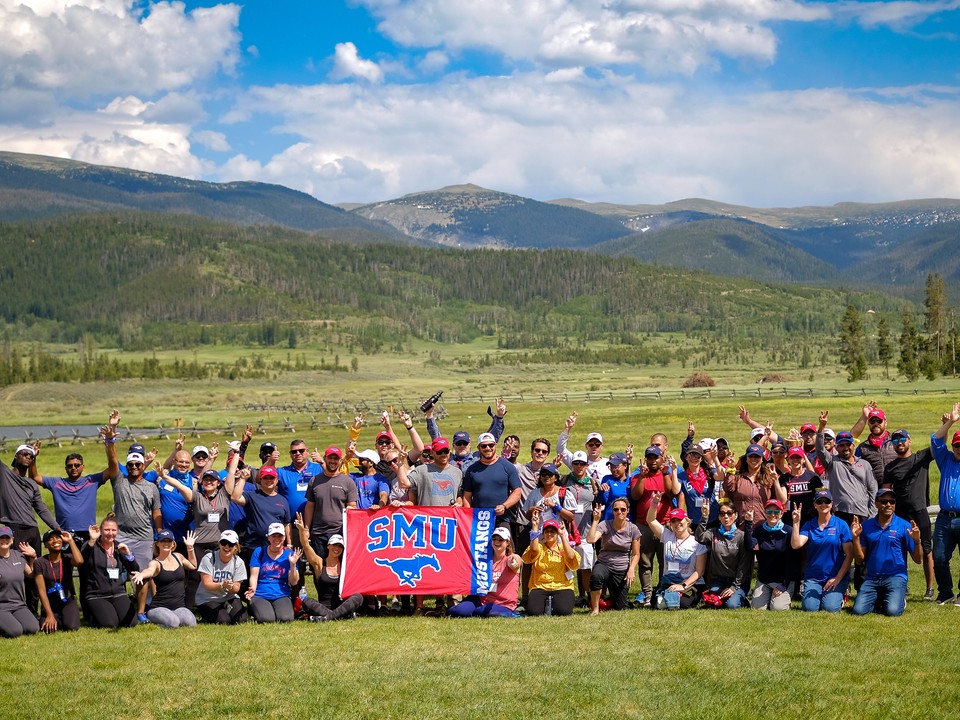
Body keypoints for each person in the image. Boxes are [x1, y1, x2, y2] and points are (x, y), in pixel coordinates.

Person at [31, 411, 120, 545]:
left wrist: (110, 441)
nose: (73, 468)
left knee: (87, 565)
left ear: (83, 467)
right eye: (70, 466)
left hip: (88, 533)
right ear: (66, 468)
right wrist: (33, 457)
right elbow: (34, 477)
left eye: (77, 465)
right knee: (65, 565)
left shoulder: (92, 481)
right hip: (64, 533)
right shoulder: (57, 483)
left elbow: (113, 468)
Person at [850, 488, 923, 616]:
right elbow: (859, 559)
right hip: (872, 577)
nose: (888, 505)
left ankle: (899, 600)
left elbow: (918, 560)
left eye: (892, 502)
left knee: (893, 611)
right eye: (884, 501)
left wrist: (917, 541)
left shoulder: (904, 526)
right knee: (858, 611)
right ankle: (880, 598)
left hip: (895, 576)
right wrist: (855, 538)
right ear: (876, 503)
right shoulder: (866, 526)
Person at [884, 428, 935, 600]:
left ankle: (930, 589)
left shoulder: (921, 457)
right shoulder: (890, 467)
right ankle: (903, 587)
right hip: (900, 514)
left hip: (920, 511)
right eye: (895, 441)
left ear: (909, 441)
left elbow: (938, 444)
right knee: (900, 551)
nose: (899, 443)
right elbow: (886, 493)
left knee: (927, 550)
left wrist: (948, 423)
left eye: (902, 439)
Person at [790, 489, 853, 613]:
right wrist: (796, 523)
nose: (823, 504)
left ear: (831, 504)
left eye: (827, 501)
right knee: (810, 608)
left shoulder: (841, 525)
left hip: (835, 576)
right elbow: (796, 544)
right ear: (815, 505)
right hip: (814, 577)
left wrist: (838, 578)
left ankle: (841, 594)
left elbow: (849, 555)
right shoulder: (809, 525)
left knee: (830, 608)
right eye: (820, 501)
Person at [295, 513, 363, 622]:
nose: (337, 548)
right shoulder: (319, 563)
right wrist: (301, 530)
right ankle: (339, 616)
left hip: (342, 605)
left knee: (358, 597)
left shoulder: (345, 565)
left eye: (340, 546)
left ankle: (327, 618)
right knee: (306, 601)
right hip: (322, 607)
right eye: (334, 545)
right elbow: (306, 547)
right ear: (328, 546)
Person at [81, 513, 140, 629]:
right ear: (101, 531)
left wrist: (128, 555)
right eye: (107, 530)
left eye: (113, 530)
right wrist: (92, 541)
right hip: (96, 594)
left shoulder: (119, 548)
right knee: (110, 624)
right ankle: (92, 616)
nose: (110, 533)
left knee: (131, 622)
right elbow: (81, 561)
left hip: (118, 592)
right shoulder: (92, 546)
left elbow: (134, 570)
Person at [646, 497, 706, 610]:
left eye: (679, 520)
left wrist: (682, 586)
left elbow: (699, 571)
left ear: (687, 521)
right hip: (670, 581)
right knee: (655, 602)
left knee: (683, 603)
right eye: (673, 521)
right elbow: (651, 520)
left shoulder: (697, 542)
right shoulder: (667, 536)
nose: (677, 523)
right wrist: (654, 503)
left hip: (690, 583)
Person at [448, 526, 522, 618]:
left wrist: (515, 562)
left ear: (507, 542)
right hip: (481, 599)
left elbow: (516, 560)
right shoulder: (484, 560)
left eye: (500, 539)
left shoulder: (510, 559)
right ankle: (445, 611)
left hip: (504, 604)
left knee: (485, 612)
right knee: (459, 611)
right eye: (494, 538)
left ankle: (510, 613)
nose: (497, 542)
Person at [131, 529, 198, 628]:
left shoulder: (178, 557)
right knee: (173, 623)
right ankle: (157, 620)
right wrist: (142, 575)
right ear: (157, 544)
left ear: (173, 544)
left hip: (179, 607)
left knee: (191, 623)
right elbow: (149, 571)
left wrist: (190, 547)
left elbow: (193, 565)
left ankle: (172, 618)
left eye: (169, 541)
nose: (166, 544)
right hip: (159, 607)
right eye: (163, 541)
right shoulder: (155, 563)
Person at [110, 449, 162, 574]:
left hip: (144, 538)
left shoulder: (151, 487)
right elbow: (112, 460)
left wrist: (159, 533)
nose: (134, 467)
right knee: (116, 575)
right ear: (126, 466)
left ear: (143, 466)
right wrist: (110, 441)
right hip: (121, 536)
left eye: (138, 464)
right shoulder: (119, 481)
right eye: (130, 464)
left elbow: (156, 512)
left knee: (143, 575)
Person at [585, 497, 640, 613]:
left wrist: (631, 569)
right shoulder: (605, 524)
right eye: (616, 509)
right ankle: (595, 608)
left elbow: (636, 554)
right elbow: (590, 540)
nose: (619, 512)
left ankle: (609, 599)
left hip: (621, 567)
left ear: (628, 510)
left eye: (623, 509)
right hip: (604, 562)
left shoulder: (633, 529)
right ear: (612, 511)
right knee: (596, 576)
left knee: (620, 606)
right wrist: (595, 520)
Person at [695, 500, 752, 609]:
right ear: (719, 517)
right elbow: (699, 537)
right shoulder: (713, 532)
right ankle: (725, 596)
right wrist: (704, 517)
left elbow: (743, 566)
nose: (726, 516)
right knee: (710, 602)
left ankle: (741, 598)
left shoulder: (742, 537)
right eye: (722, 514)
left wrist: (734, 587)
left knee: (731, 605)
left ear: (735, 515)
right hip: (719, 581)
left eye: (729, 513)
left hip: (738, 582)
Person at [304, 446, 358, 559]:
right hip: (318, 533)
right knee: (319, 567)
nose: (332, 461)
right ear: (325, 458)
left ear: (340, 461)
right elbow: (310, 506)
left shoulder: (348, 482)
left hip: (339, 532)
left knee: (339, 567)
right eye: (330, 458)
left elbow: (352, 506)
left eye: (336, 459)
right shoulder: (314, 481)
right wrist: (306, 529)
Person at [231, 462, 291, 563]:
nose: (269, 481)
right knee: (252, 576)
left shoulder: (283, 500)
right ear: (260, 481)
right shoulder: (252, 495)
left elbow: (286, 523)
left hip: (275, 546)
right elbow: (235, 497)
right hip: (254, 545)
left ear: (276, 480)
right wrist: (243, 479)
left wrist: (289, 544)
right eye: (265, 478)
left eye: (271, 478)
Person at [521, 515, 580, 616]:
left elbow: (571, 557)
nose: (549, 534)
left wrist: (563, 536)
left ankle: (553, 604)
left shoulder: (563, 548)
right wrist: (534, 527)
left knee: (564, 612)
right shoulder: (539, 546)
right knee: (534, 612)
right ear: (543, 534)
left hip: (562, 586)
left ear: (557, 534)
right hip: (540, 585)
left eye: (553, 531)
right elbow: (533, 550)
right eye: (547, 531)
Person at [931, 402, 960, 604]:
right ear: (953, 447)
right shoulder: (946, 460)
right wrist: (950, 422)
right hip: (944, 518)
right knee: (939, 557)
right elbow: (936, 440)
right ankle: (946, 592)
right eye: (957, 445)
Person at [722, 443, 787, 530]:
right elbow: (727, 488)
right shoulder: (738, 477)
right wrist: (730, 469)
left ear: (762, 459)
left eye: (757, 457)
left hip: (763, 525)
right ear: (746, 459)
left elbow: (782, 500)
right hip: (740, 525)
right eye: (751, 456)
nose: (754, 459)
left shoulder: (769, 477)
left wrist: (775, 481)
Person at [462, 433, 522, 527]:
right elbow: (467, 496)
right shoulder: (472, 469)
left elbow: (517, 492)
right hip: (478, 520)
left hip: (501, 519)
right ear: (478, 447)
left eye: (491, 445)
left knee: (503, 542)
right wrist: (468, 516)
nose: (488, 448)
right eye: (484, 446)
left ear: (495, 445)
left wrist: (504, 506)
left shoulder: (507, 466)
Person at [245, 522, 301, 623]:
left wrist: (292, 565)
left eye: (279, 536)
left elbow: (294, 582)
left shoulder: (290, 554)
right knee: (267, 619)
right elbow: (253, 576)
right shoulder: (259, 552)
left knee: (286, 619)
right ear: (268, 537)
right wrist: (252, 589)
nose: (277, 539)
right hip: (261, 594)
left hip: (281, 594)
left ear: (284, 537)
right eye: (273, 536)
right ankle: (255, 609)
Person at [33, 529, 84, 632]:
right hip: (50, 602)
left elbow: (79, 561)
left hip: (67, 600)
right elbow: (41, 591)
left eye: (57, 537)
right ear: (46, 545)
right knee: (48, 629)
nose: (55, 540)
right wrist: (49, 615)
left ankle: (63, 617)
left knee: (72, 627)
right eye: (50, 539)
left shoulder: (67, 558)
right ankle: (56, 616)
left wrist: (70, 541)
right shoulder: (40, 563)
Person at [195, 529, 248, 625]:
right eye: (224, 543)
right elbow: (207, 584)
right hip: (208, 598)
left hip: (228, 597)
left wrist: (230, 587)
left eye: (231, 544)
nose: (227, 546)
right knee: (224, 621)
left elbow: (236, 588)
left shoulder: (238, 562)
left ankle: (224, 609)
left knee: (241, 620)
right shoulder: (209, 558)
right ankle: (207, 612)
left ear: (236, 546)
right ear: (219, 544)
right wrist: (222, 585)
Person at [750, 500, 792, 611]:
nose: (772, 515)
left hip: (783, 579)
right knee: (757, 609)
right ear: (765, 512)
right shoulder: (758, 530)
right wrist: (748, 523)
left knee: (778, 608)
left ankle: (786, 596)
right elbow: (749, 545)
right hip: (764, 579)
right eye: (769, 511)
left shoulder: (788, 531)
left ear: (782, 513)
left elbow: (793, 560)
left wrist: (784, 584)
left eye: (776, 512)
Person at [0, 525, 39, 638]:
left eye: (7, 537)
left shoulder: (18, 556)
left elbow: (31, 574)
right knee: (16, 631)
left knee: (33, 628)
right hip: (1, 606)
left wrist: (33, 557)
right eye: (1, 538)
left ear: (12, 540)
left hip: (19, 605)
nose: (4, 540)